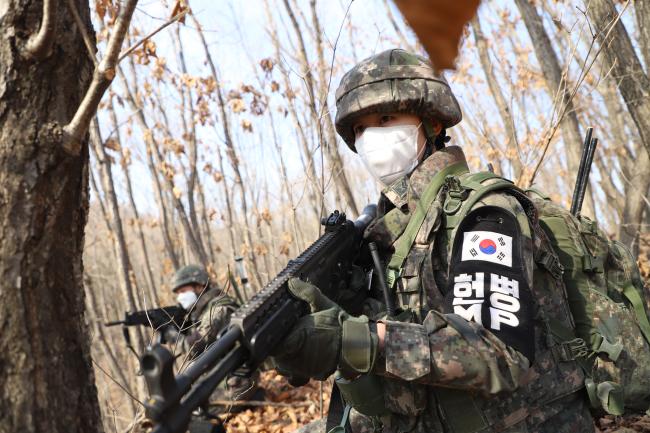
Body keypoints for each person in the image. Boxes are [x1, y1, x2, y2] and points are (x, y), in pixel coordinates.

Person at [272, 49, 595, 433]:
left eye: (386, 118)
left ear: (432, 121)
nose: (371, 136)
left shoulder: (483, 212)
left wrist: (353, 340)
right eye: (359, 129)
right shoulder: (386, 232)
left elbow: (495, 353)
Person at [171, 264, 259, 405]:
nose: (180, 297)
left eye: (183, 290)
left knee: (191, 413)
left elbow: (194, 348)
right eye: (178, 293)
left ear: (200, 286)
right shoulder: (202, 312)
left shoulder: (218, 308)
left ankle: (256, 398)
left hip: (236, 384)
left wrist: (172, 335)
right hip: (223, 380)